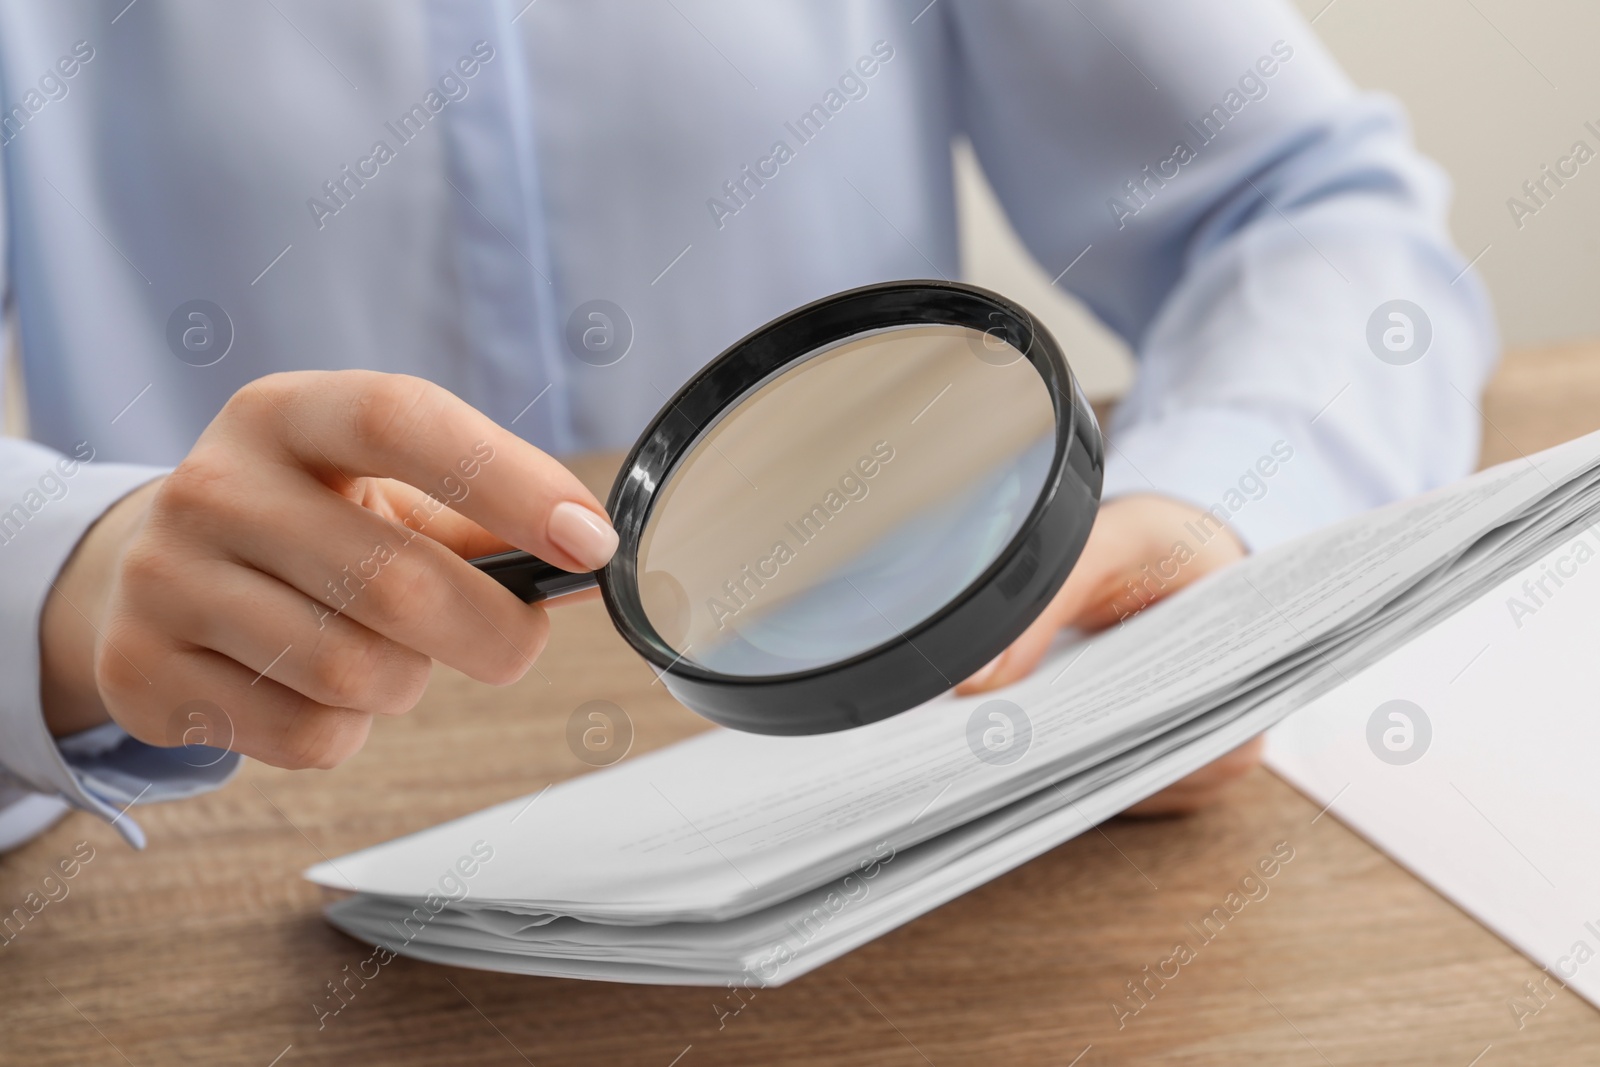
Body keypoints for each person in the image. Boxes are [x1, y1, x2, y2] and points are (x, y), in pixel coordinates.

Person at [0, 0, 1495, 850]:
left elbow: (1312, 210)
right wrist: (66, 585)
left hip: (933, 793)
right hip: (235, 845)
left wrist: (1225, 511)